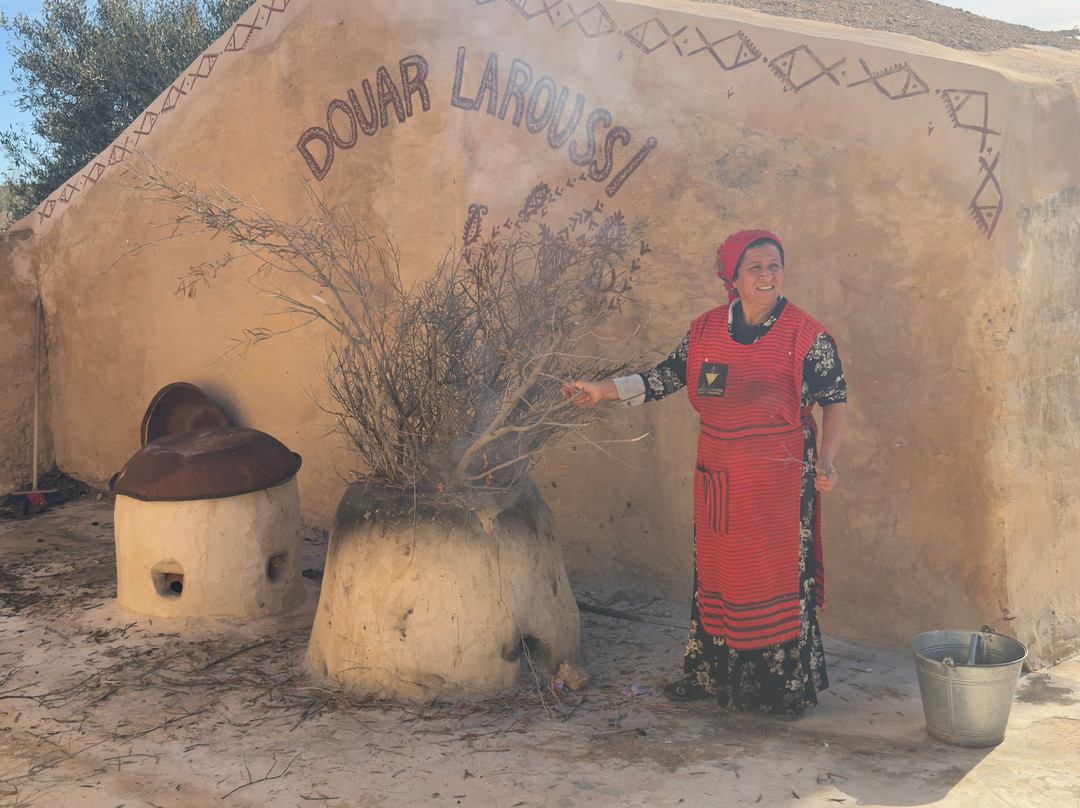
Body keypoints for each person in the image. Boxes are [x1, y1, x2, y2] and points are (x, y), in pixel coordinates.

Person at [566, 229, 847, 720]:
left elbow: (835, 400)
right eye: (755, 267)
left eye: (775, 266)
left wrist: (826, 461)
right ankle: (714, 676)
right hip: (718, 480)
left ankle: (779, 690)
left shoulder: (807, 336)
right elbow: (662, 378)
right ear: (732, 277)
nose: (767, 276)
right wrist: (602, 390)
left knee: (772, 580)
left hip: (779, 487)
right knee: (719, 576)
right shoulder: (705, 332)